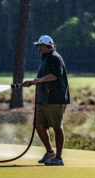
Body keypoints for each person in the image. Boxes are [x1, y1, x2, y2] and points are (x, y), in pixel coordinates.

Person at [22, 35, 70, 166]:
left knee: (57, 127)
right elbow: (42, 78)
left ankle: (59, 158)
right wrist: (32, 82)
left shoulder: (54, 57)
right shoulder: (45, 58)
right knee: (38, 125)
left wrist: (40, 80)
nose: (38, 47)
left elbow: (56, 75)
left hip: (55, 99)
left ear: (45, 46)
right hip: (44, 99)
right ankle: (50, 152)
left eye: (39, 45)